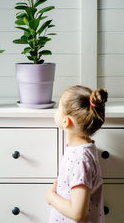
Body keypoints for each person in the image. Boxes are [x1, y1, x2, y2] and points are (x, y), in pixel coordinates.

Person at [47, 85, 108, 223]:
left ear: (65, 120)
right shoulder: (85, 148)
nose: (56, 111)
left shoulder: (79, 159)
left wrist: (51, 197)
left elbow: (77, 213)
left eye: (58, 108)